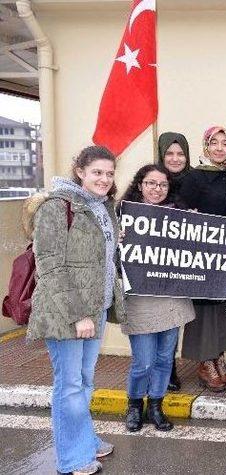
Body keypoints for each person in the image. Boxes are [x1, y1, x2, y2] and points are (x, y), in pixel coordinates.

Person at [25, 145, 125, 475]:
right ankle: (73, 457)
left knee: (83, 380)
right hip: (65, 312)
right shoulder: (56, 207)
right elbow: (49, 266)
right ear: (80, 171)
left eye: (109, 174)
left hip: (94, 308)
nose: (104, 179)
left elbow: (102, 260)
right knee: (68, 384)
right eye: (97, 172)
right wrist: (78, 314)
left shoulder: (104, 207)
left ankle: (85, 439)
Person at [119, 164, 195, 432]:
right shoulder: (123, 215)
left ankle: (156, 406)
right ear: (140, 185)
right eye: (151, 183)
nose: (156, 189)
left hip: (172, 299)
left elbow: (200, 252)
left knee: (164, 359)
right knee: (144, 361)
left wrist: (197, 229)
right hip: (140, 300)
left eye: (162, 185)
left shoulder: (181, 216)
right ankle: (134, 405)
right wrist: (117, 241)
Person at [178, 125, 226, 392]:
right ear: (206, 147)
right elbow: (181, 210)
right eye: (214, 143)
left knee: (225, 310)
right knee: (205, 311)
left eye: (225, 143)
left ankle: (218, 359)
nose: (219, 148)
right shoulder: (195, 177)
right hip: (202, 254)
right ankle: (205, 364)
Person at [156, 131, 192, 391]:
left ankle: (168, 368)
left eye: (180, 154)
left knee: (173, 318)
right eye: (169, 153)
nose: (175, 158)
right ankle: (156, 368)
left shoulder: (194, 182)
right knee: (152, 319)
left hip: (182, 264)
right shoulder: (150, 180)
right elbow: (128, 211)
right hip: (151, 265)